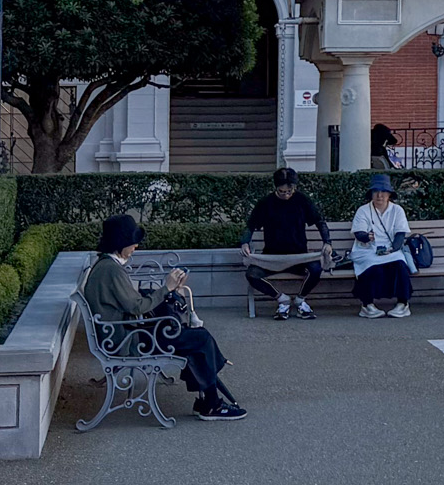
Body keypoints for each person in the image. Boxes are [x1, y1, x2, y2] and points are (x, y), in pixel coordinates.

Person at [83, 214, 245, 421]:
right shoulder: (111, 270)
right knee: (200, 338)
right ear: (121, 242)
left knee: (193, 340)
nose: (136, 247)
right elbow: (138, 306)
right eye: (133, 242)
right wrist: (166, 288)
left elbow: (132, 303)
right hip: (129, 341)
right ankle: (211, 403)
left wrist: (166, 291)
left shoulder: (105, 266)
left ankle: (209, 401)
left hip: (125, 334)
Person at [242, 167, 330, 320]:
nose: (286, 195)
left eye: (290, 191)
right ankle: (282, 299)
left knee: (316, 269)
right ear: (276, 188)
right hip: (272, 256)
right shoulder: (266, 203)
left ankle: (300, 299)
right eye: (282, 192)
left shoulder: (302, 200)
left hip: (299, 256)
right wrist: (245, 243)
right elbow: (251, 225)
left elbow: (319, 221)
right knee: (251, 275)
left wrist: (327, 242)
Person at [348, 174, 415, 319]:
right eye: (376, 191)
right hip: (367, 249)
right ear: (371, 194)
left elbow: (400, 234)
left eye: (384, 192)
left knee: (399, 264)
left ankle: (403, 304)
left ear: (389, 194)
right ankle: (367, 305)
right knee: (370, 265)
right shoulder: (363, 210)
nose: (380, 195)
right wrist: (366, 237)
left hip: (391, 249)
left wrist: (394, 249)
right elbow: (359, 233)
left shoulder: (397, 210)